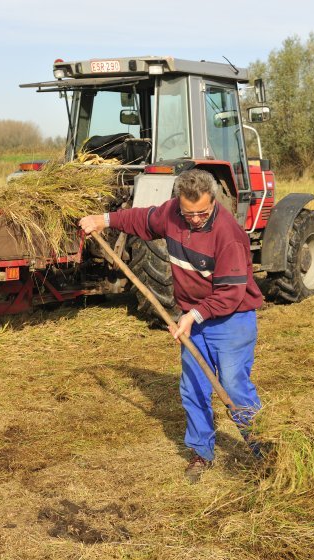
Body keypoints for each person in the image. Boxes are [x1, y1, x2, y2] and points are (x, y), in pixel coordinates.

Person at [79, 169, 264, 483]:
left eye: (202, 212)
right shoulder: (173, 214)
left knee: (233, 386)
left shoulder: (228, 234)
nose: (194, 219)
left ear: (213, 202)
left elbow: (231, 293)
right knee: (193, 387)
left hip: (231, 320)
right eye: (188, 213)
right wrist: (104, 220)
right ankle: (201, 453)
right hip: (195, 318)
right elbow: (141, 219)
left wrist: (193, 316)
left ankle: (266, 451)